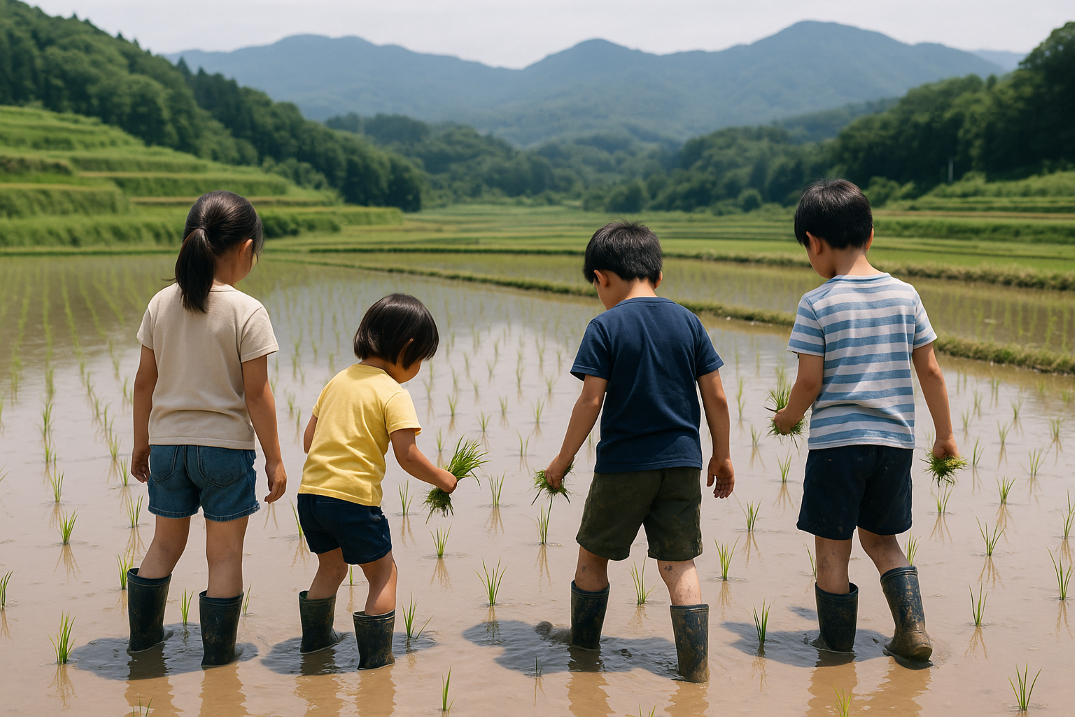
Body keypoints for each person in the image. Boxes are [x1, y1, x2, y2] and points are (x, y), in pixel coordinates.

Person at [773, 179, 958, 663]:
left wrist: (789, 417)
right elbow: (931, 371)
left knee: (833, 549)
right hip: (894, 444)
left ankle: (836, 650)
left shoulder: (816, 303)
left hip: (837, 447)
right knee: (882, 540)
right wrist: (945, 435)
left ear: (813, 242)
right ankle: (912, 630)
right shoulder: (907, 295)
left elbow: (809, 382)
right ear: (870, 235)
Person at [543, 221, 735, 683]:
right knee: (679, 563)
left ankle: (584, 652)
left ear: (601, 277)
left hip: (624, 466)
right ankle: (695, 669)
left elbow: (591, 400)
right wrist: (722, 454)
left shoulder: (605, 326)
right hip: (683, 463)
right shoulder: (689, 322)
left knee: (593, 556)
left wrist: (563, 459)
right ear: (658, 276)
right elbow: (717, 397)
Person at [129, 191, 287, 666]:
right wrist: (276, 458)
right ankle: (218, 659)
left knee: (163, 545)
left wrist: (142, 443)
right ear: (244, 248)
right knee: (223, 558)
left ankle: (142, 647)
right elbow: (256, 394)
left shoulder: (161, 303)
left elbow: (143, 383)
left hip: (169, 450)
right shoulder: (247, 311)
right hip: (223, 453)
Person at [296, 293, 457, 668]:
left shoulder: (337, 381)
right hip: (352, 499)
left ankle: (315, 644)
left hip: (311, 497)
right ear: (408, 348)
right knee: (383, 573)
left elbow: (308, 441)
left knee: (331, 567)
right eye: (420, 361)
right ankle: (375, 661)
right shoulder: (392, 392)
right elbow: (407, 455)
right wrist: (442, 479)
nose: (417, 369)